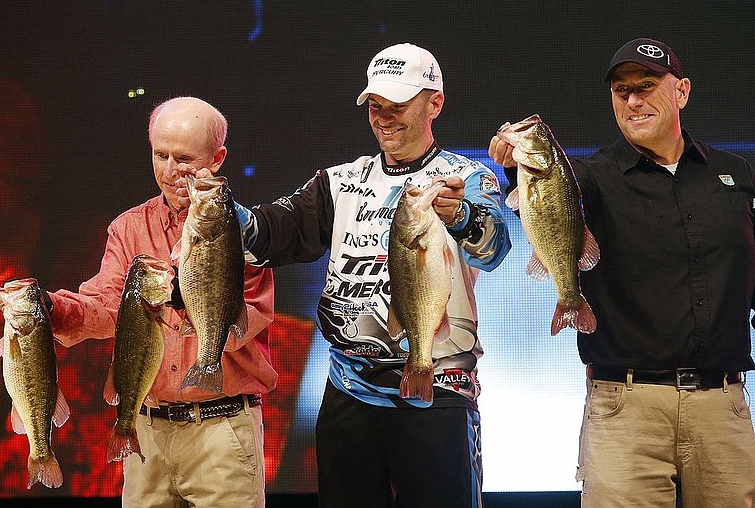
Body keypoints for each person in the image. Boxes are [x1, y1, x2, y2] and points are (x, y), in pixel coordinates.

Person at [178, 43, 511, 507]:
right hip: (349, 394)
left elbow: (493, 251)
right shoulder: (339, 182)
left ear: (435, 102)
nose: (384, 117)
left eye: (397, 106)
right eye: (376, 106)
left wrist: (460, 218)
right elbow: (270, 233)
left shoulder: (467, 177)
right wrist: (219, 207)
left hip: (439, 394)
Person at [490, 37, 755, 507]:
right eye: (621, 91)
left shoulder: (734, 176)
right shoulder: (590, 177)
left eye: (647, 86)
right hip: (625, 410)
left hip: (722, 407)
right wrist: (518, 167)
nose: (633, 100)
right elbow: (550, 194)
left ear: (683, 91)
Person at [0, 97, 276, 507]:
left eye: (185, 158)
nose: (172, 170)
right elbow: (105, 306)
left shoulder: (245, 230)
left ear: (217, 158)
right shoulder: (128, 228)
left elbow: (251, 318)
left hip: (221, 430)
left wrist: (183, 295)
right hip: (145, 431)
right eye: (161, 156)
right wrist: (47, 309)